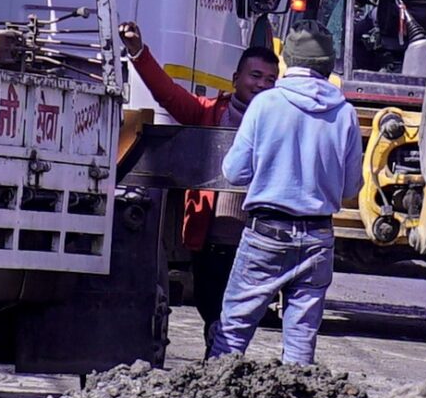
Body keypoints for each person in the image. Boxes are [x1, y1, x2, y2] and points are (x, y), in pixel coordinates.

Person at [118, 21, 279, 355]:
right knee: (211, 307)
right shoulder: (210, 112)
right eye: (255, 76)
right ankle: (216, 357)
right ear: (236, 79)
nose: (262, 85)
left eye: (270, 80)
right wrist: (138, 52)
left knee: (242, 313)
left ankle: (224, 359)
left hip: (257, 238)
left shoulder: (280, 121)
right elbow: (168, 93)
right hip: (211, 238)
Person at [209, 28, 362, 366]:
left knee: (233, 330)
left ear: (288, 60)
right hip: (318, 238)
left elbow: (234, 173)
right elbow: (351, 188)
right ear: (328, 64)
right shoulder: (346, 114)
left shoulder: (265, 104)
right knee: (301, 338)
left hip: (266, 234)